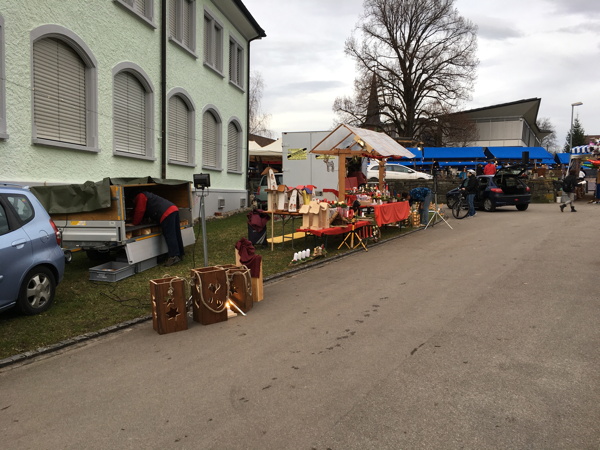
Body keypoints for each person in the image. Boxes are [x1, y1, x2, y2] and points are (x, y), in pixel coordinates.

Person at [131, 191, 184, 266]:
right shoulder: (148, 195)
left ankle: (173, 256)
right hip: (173, 209)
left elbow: (140, 210)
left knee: (170, 235)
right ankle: (180, 254)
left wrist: (134, 223)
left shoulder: (140, 196)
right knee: (176, 233)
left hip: (167, 213)